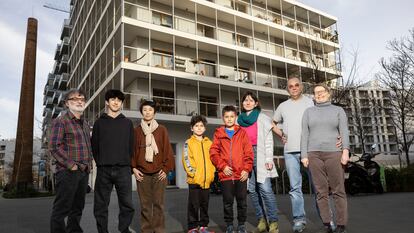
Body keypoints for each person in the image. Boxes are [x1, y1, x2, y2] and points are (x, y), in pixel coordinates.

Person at [301, 84, 350, 233]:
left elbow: (344, 131)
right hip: (313, 154)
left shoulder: (338, 110)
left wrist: (345, 151)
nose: (319, 94)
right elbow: (304, 134)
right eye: (316, 93)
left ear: (328, 94)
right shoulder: (308, 112)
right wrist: (304, 155)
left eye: (322, 91)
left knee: (338, 190)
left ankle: (341, 224)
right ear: (313, 96)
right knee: (321, 192)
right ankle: (327, 224)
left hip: (334, 153)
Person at [272, 77, 314, 232]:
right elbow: (272, 123)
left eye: (297, 85)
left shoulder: (310, 102)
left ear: (301, 87)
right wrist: (281, 134)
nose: (294, 88)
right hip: (289, 152)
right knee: (295, 188)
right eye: (291, 86)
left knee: (318, 187)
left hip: (309, 150)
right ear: (287, 89)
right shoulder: (283, 106)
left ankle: (327, 219)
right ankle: (299, 219)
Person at [49, 89, 93, 233]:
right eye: (74, 99)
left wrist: (89, 165)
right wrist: (71, 165)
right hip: (68, 172)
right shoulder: (61, 121)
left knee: (77, 208)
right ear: (67, 103)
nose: (79, 101)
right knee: (61, 209)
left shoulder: (85, 124)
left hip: (83, 172)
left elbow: (88, 147)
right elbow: (54, 147)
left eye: (82, 98)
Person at [92, 89, 135, 233]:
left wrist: (128, 165)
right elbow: (95, 147)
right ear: (107, 102)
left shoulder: (127, 123)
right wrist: (100, 163)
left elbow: (131, 146)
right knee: (101, 205)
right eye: (112, 99)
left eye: (119, 100)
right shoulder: (99, 123)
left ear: (121, 103)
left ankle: (124, 230)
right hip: (104, 169)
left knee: (127, 204)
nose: (116, 102)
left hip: (123, 169)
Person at [238, 92, 279, 233]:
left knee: (265, 189)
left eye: (251, 100)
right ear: (242, 103)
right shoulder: (239, 120)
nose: (248, 102)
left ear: (256, 103)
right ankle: (261, 220)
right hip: (245, 156)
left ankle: (273, 222)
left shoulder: (262, 118)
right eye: (245, 100)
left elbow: (268, 140)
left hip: (260, 154)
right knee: (253, 190)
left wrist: (269, 159)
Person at [131, 100, 175, 233]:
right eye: (145, 110)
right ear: (141, 112)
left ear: (154, 112)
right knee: (145, 206)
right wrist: (134, 168)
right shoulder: (136, 130)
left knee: (158, 205)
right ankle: (147, 231)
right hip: (142, 174)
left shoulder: (161, 129)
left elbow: (167, 150)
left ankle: (159, 230)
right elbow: (132, 151)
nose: (147, 112)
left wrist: (166, 169)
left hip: (159, 173)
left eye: (150, 110)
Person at [210, 105, 254, 233]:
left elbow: (249, 153)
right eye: (226, 117)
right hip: (226, 175)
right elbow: (213, 153)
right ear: (223, 118)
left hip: (241, 174)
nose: (229, 119)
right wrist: (222, 166)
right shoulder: (219, 133)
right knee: (227, 202)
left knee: (242, 202)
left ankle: (241, 225)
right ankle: (229, 225)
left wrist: (246, 169)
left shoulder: (242, 133)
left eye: (232, 117)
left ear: (235, 117)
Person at [182, 115, 216, 233]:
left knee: (204, 205)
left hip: (206, 181)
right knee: (193, 205)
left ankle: (203, 227)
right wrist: (195, 175)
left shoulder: (209, 143)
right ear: (192, 128)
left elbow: (213, 160)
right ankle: (192, 227)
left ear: (205, 128)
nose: (199, 128)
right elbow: (187, 161)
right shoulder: (188, 143)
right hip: (195, 180)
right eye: (196, 126)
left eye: (201, 126)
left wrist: (212, 174)